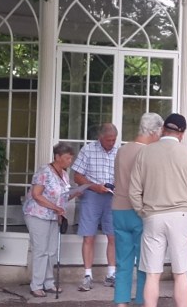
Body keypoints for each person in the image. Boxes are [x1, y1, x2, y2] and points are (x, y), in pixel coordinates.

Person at [128, 113, 187, 307]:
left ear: (163, 130)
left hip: (153, 216)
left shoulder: (144, 153)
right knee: (181, 275)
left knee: (152, 275)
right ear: (182, 133)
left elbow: (134, 191)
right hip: (182, 217)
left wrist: (143, 212)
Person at [111, 113, 164, 307]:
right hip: (140, 211)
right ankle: (143, 300)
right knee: (145, 261)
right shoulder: (148, 153)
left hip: (118, 208)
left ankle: (121, 302)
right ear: (154, 131)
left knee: (123, 261)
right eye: (160, 132)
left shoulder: (121, 150)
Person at [23, 142, 80, 298]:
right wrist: (55, 207)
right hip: (37, 214)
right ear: (57, 157)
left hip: (54, 216)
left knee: (51, 250)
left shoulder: (64, 174)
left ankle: (48, 282)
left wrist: (78, 192)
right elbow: (36, 194)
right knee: (40, 250)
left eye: (71, 158)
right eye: (67, 158)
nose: (70, 161)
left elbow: (63, 196)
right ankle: (36, 285)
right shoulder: (44, 171)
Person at [73, 123, 120, 291]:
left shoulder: (118, 151)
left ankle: (111, 274)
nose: (111, 143)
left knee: (113, 236)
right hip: (92, 195)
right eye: (108, 140)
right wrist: (94, 186)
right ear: (100, 138)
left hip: (112, 197)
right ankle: (87, 276)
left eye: (114, 140)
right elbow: (77, 176)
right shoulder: (88, 150)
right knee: (88, 236)